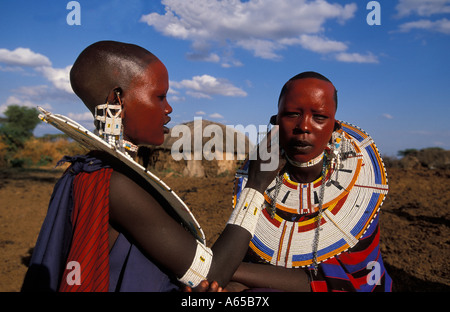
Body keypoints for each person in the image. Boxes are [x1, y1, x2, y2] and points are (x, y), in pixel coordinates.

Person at [21, 41, 276, 292]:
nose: (169, 108)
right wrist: (256, 185)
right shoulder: (115, 183)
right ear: (116, 100)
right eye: (160, 96)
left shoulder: (86, 171)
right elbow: (209, 275)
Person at [227, 71, 392, 292]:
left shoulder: (357, 197)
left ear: (335, 127)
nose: (303, 126)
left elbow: (335, 280)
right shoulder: (259, 180)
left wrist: (227, 269)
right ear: (275, 123)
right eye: (292, 114)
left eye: (320, 117)